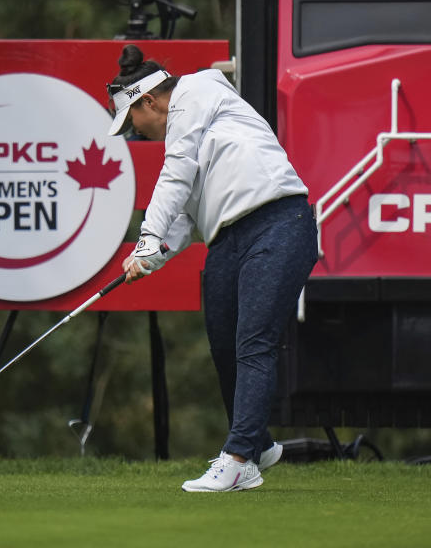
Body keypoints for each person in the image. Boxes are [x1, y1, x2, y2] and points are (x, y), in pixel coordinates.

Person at [106, 45, 318, 492]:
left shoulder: (197, 89)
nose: (133, 133)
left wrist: (144, 238)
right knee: (224, 347)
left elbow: (175, 173)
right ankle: (258, 444)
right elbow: (184, 221)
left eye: (131, 122)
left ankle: (239, 459)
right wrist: (150, 257)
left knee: (253, 343)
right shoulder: (194, 131)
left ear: (149, 101)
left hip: (279, 222)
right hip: (227, 240)